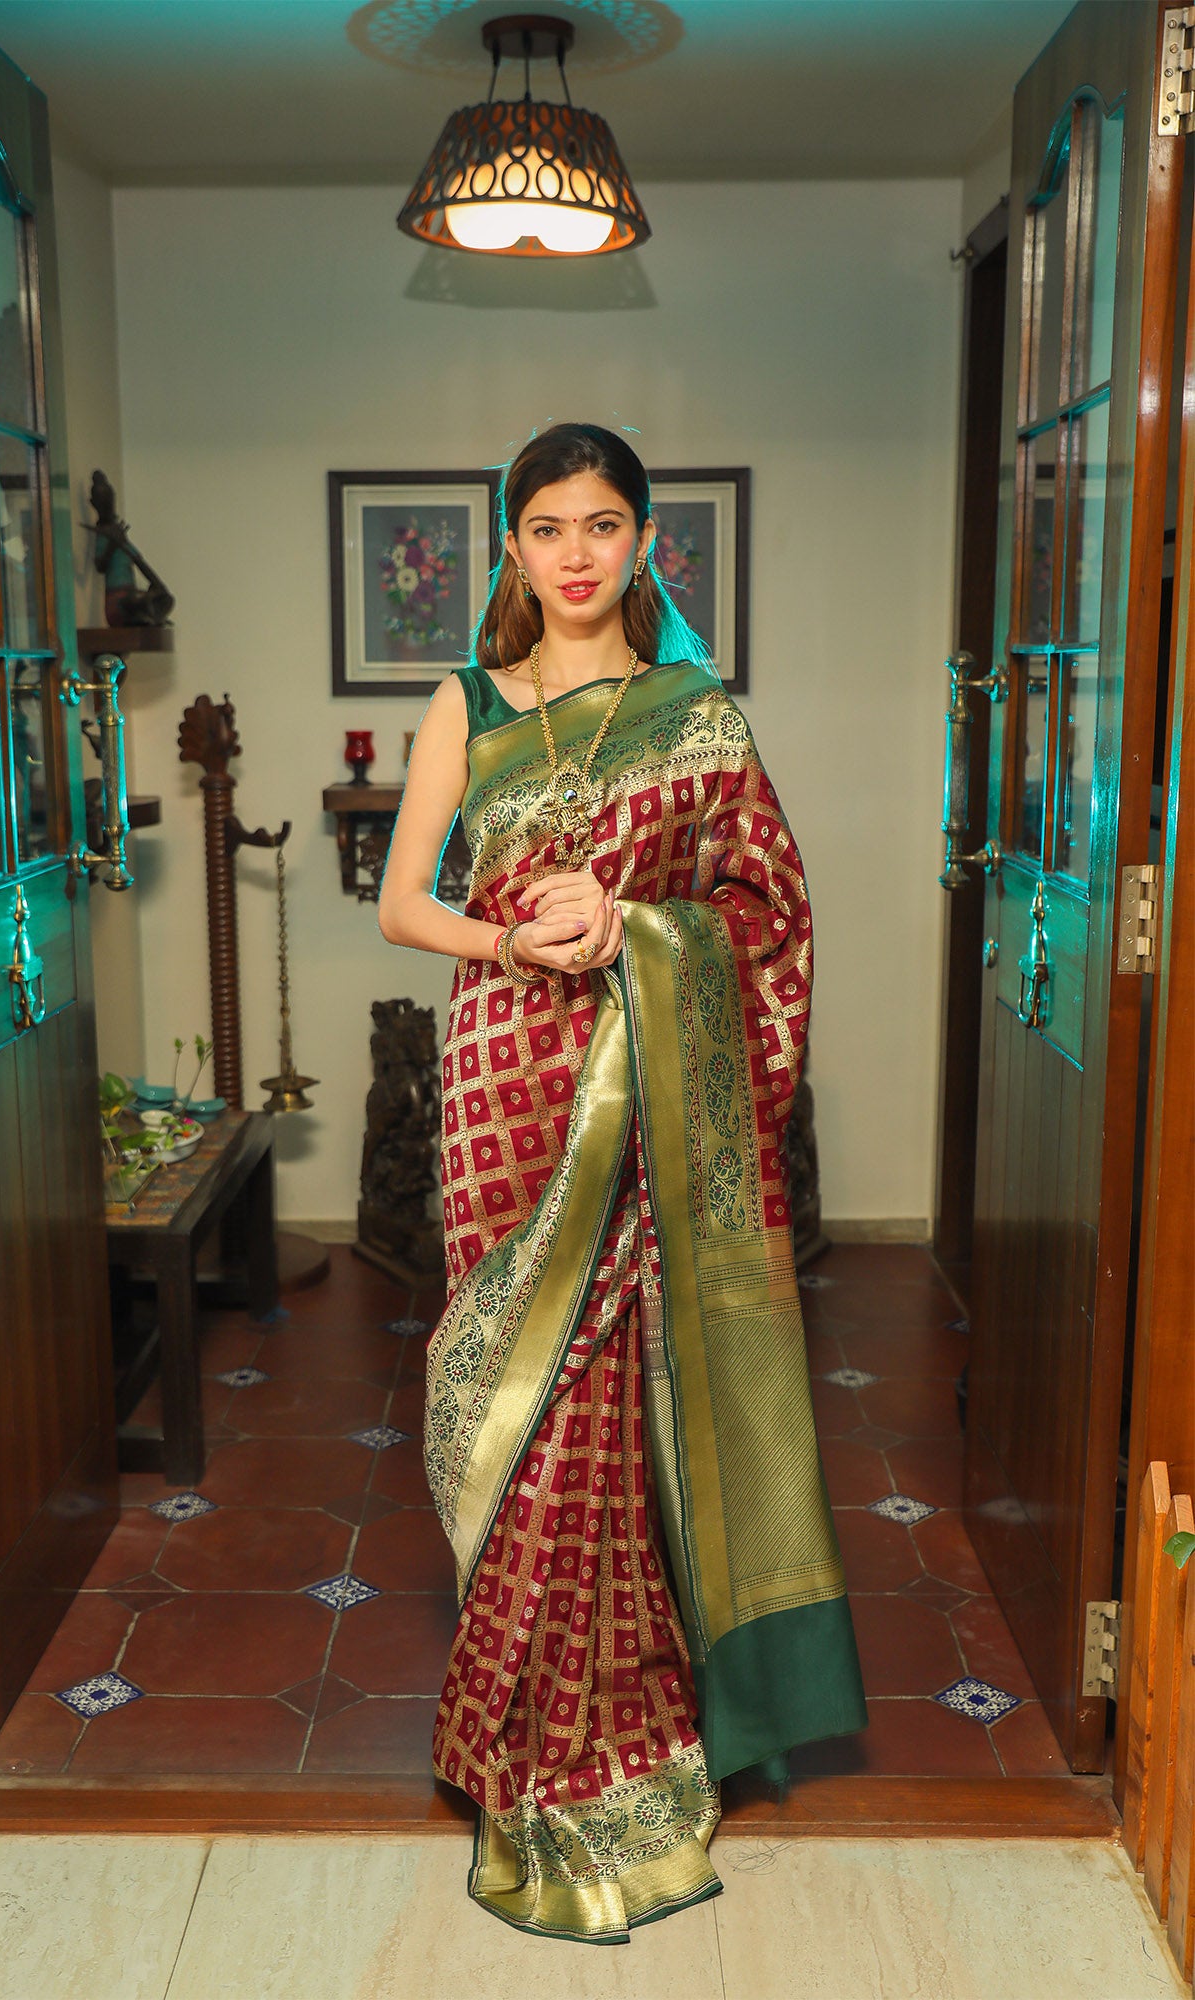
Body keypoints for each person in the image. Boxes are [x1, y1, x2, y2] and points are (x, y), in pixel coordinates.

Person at [378, 422, 867, 1944]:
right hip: (505, 1076)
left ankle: (616, 1744)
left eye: (602, 523)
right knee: (514, 1407)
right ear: (509, 551)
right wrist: (519, 938)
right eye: (545, 528)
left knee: (605, 1399)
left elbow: (768, 905)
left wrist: (640, 923)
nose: (575, 553)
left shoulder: (693, 712)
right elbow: (406, 906)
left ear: (645, 539)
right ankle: (514, 1732)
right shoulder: (461, 702)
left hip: (639, 1077)